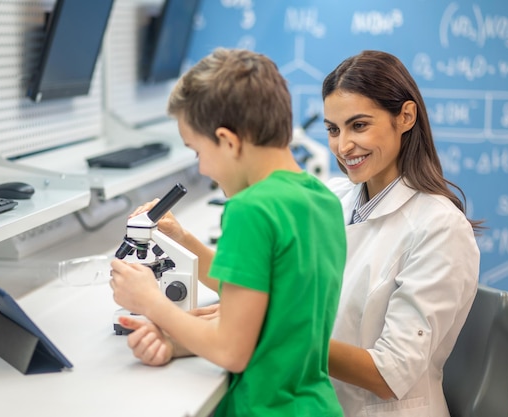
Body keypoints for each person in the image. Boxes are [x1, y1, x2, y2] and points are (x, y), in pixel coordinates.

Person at [109, 48, 347, 417]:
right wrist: (184, 241)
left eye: (198, 152)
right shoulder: (320, 199)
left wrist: (149, 302)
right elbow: (260, 293)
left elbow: (231, 351)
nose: (202, 169)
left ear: (228, 140)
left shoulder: (249, 210)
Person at [322, 50, 482, 416]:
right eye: (333, 129)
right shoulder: (333, 198)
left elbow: (389, 374)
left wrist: (279, 334)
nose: (343, 146)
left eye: (359, 126)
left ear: (405, 116)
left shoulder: (440, 227)